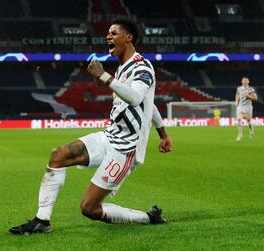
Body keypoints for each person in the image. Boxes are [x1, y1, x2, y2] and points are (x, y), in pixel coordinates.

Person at [9, 19, 172, 235]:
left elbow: (136, 98)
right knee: (59, 155)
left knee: (89, 208)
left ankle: (148, 217)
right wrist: (163, 134)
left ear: (129, 37)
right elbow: (149, 106)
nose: (108, 37)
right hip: (109, 135)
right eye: (108, 33)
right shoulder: (123, 68)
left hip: (126, 148)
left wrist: (103, 76)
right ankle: (42, 220)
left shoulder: (142, 66)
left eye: (114, 33)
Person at [235, 76, 258, 141]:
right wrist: (236, 101)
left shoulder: (251, 89)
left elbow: (256, 98)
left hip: (248, 107)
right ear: (242, 82)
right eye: (243, 81)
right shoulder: (239, 88)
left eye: (246, 81)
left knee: (248, 121)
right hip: (240, 106)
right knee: (239, 119)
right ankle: (240, 134)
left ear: (248, 82)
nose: (245, 82)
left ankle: (251, 131)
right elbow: (237, 95)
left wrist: (249, 96)